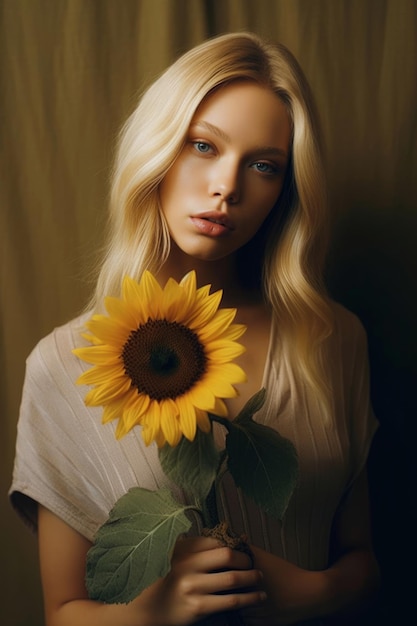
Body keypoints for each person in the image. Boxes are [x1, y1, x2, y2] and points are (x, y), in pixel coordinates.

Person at [9, 32, 380, 625]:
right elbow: (62, 612)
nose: (227, 187)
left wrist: (302, 593)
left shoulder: (332, 341)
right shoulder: (63, 365)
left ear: (285, 190)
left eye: (264, 165)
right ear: (157, 150)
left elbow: (364, 564)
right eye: (203, 146)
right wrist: (157, 607)